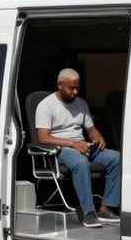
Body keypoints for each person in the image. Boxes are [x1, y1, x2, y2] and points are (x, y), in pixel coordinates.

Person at [35, 68, 121, 228]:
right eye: (71, 88)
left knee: (116, 159)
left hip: (82, 146)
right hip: (61, 149)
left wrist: (97, 136)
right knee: (81, 162)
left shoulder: (80, 103)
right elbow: (43, 137)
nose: (75, 92)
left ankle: (105, 208)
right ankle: (88, 212)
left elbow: (90, 129)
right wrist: (74, 144)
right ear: (60, 85)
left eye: (77, 88)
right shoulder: (46, 106)